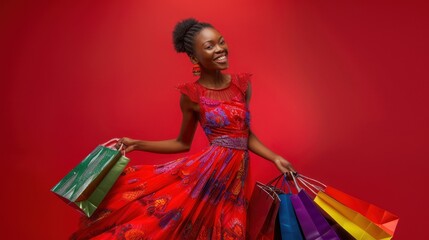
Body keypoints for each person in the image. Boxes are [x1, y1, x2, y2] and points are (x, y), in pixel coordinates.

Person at [71, 18, 295, 240]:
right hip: (206, 177)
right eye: (210, 47)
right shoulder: (192, 96)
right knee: (161, 226)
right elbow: (182, 143)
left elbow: (243, 135)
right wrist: (137, 144)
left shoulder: (242, 86)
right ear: (194, 57)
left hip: (235, 182)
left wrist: (275, 158)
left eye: (221, 42)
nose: (220, 49)